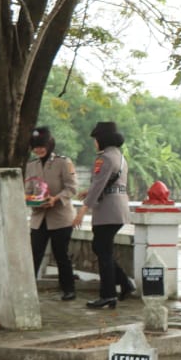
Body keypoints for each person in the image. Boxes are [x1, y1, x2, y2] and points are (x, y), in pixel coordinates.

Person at [73, 121, 136, 309]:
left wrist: (82, 211)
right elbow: (107, 183)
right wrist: (87, 191)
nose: (94, 143)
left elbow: (98, 186)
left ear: (102, 139)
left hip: (108, 210)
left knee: (102, 250)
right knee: (102, 249)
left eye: (95, 139)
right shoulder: (120, 157)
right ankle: (124, 284)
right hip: (119, 208)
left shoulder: (105, 158)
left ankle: (108, 294)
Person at [25, 127, 78, 301]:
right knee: (34, 254)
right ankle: (27, 290)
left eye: (41, 146)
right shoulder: (31, 165)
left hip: (60, 217)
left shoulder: (63, 162)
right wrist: (33, 200)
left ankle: (68, 289)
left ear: (49, 145)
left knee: (61, 254)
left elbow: (72, 188)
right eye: (35, 146)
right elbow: (28, 190)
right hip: (39, 218)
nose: (38, 149)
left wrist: (55, 199)